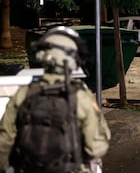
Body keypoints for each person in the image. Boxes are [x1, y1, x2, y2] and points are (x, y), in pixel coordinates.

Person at [0, 26, 111, 172]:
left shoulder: (23, 94)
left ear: (42, 56)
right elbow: (96, 148)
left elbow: (4, 141)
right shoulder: (81, 97)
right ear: (73, 60)